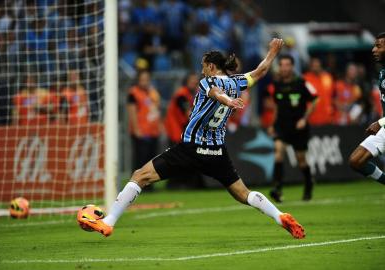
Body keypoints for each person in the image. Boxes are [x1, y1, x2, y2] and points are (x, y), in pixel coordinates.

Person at [79, 38, 305, 239]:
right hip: (217, 152)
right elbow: (261, 71)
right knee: (243, 194)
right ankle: (280, 216)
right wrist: (273, 51)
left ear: (211, 66)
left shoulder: (208, 82)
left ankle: (108, 222)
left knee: (140, 176)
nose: (202, 70)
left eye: (203, 66)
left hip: (191, 148)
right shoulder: (238, 82)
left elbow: (215, 92)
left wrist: (226, 101)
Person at [267, 55, 318, 203]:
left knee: (301, 160)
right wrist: (272, 124)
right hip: (282, 126)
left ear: (292, 66)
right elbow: (276, 106)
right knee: (278, 152)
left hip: (298, 127)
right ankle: (277, 188)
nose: (284, 68)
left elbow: (315, 99)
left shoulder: (302, 83)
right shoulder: (276, 84)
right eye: (282, 65)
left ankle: (308, 184)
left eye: (287, 65)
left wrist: (304, 119)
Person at [349, 32, 385, 185]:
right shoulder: (382, 72)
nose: (373, 50)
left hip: (383, 124)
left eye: (378, 46)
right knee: (356, 161)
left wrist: (380, 123)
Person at [164, 72, 204, 189]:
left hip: (182, 131)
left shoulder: (189, 94)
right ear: (186, 81)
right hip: (176, 131)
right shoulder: (182, 95)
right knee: (177, 158)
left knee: (180, 158)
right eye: (192, 80)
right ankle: (174, 184)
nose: (194, 82)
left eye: (195, 81)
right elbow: (189, 115)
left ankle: (179, 183)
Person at [127, 70, 161, 174]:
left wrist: (159, 125)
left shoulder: (153, 93)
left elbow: (156, 110)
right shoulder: (133, 93)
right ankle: (137, 184)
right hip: (141, 132)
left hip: (153, 131)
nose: (145, 82)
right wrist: (136, 129)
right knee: (140, 160)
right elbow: (132, 112)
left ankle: (149, 185)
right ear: (138, 80)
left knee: (151, 160)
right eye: (142, 79)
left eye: (147, 79)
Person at [303, 57, 335, 126]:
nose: (315, 68)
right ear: (310, 67)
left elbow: (332, 96)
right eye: (313, 66)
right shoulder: (305, 79)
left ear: (321, 66)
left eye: (317, 65)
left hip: (327, 118)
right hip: (311, 118)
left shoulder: (328, 78)